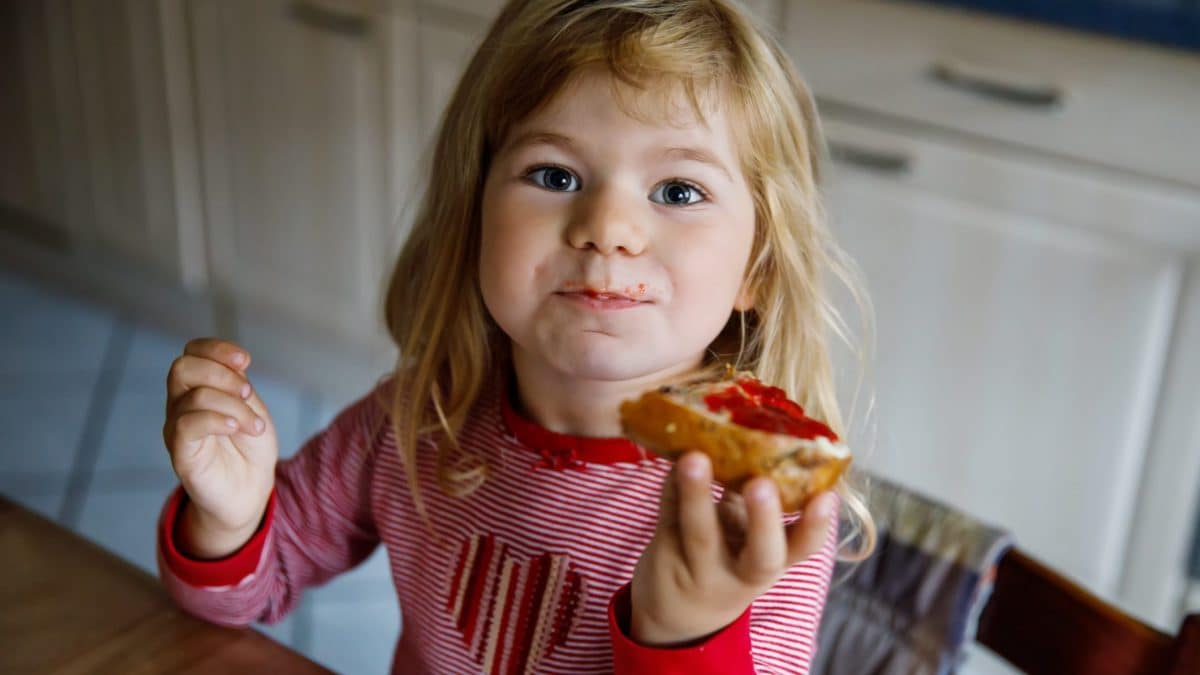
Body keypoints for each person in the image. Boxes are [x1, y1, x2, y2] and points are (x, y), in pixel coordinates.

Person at [157, 1, 877, 672]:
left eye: (678, 192)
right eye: (555, 175)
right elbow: (242, 595)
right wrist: (229, 519)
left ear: (758, 267)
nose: (608, 228)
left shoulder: (758, 515)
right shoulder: (413, 421)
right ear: (473, 216)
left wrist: (683, 631)